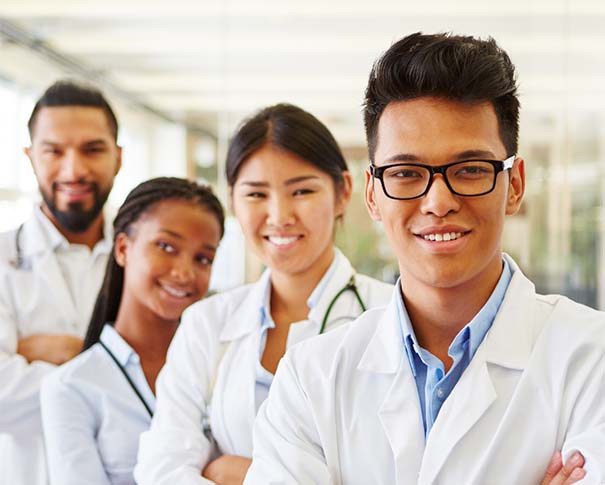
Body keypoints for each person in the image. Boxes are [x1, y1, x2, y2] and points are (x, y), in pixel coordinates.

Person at [244, 33, 605, 484]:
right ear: (374, 195)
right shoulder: (310, 377)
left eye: (470, 169)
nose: (438, 201)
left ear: (514, 185)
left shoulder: (592, 358)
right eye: (407, 173)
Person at [134, 103, 394, 484]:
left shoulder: (391, 315)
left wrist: (228, 471)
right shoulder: (207, 324)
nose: (279, 215)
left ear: (343, 192)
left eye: (302, 191)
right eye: (256, 195)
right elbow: (161, 468)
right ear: (233, 200)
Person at [40, 177, 225, 485]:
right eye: (166, 247)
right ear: (123, 248)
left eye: (203, 258)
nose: (185, 273)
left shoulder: (221, 364)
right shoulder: (71, 387)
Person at [0, 80, 122, 485]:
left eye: (93, 149)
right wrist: (107, 365)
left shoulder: (147, 259)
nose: (74, 170)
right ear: (30, 157)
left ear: (118, 158)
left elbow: (171, 387)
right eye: (54, 151)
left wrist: (68, 357)